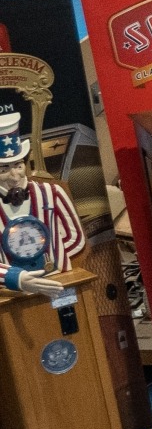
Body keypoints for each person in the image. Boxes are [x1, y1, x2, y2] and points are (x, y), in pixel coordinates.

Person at [0, 109, 84, 294]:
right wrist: (16, 277)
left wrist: (53, 259)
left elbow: (75, 237)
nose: (14, 176)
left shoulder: (51, 192)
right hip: (12, 294)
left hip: (59, 279)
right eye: (4, 169)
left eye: (18, 166)